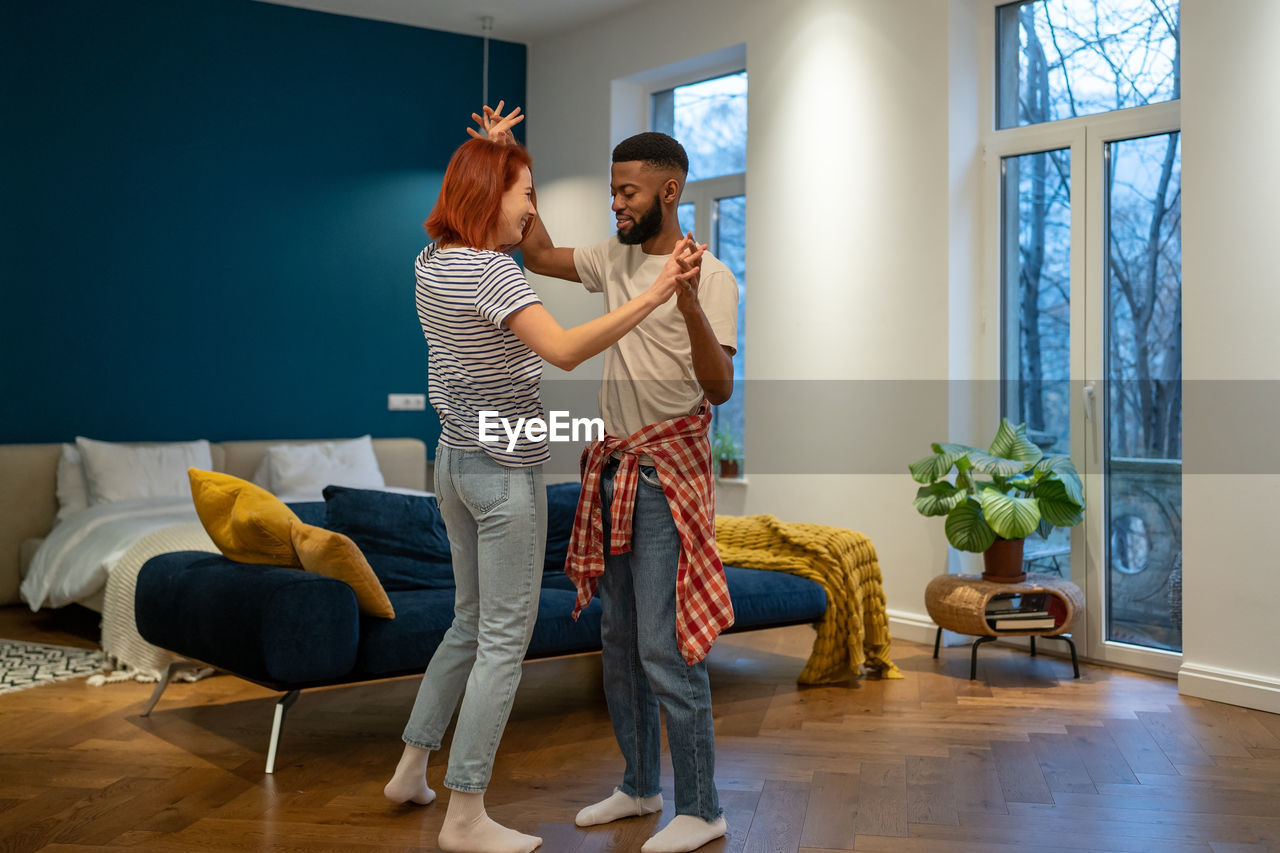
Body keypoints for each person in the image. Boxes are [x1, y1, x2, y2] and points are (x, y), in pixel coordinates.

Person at [384, 108, 706, 853]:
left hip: (456, 463)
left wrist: (494, 154)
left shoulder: (431, 261)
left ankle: (411, 766)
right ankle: (465, 815)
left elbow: (505, 226)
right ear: (489, 198)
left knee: (467, 623)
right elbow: (562, 349)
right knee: (502, 637)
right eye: (523, 193)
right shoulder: (493, 271)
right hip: (504, 471)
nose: (532, 209)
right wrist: (654, 295)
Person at [485, 105, 738, 853]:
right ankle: (639, 785)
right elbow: (537, 254)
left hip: (666, 477)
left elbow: (719, 387)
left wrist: (684, 296)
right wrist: (506, 159)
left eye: (627, 191)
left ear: (669, 189)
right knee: (619, 636)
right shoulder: (613, 258)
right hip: (613, 469)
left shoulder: (712, 276)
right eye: (612, 190)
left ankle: (702, 804)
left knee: (664, 645)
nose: (616, 202)